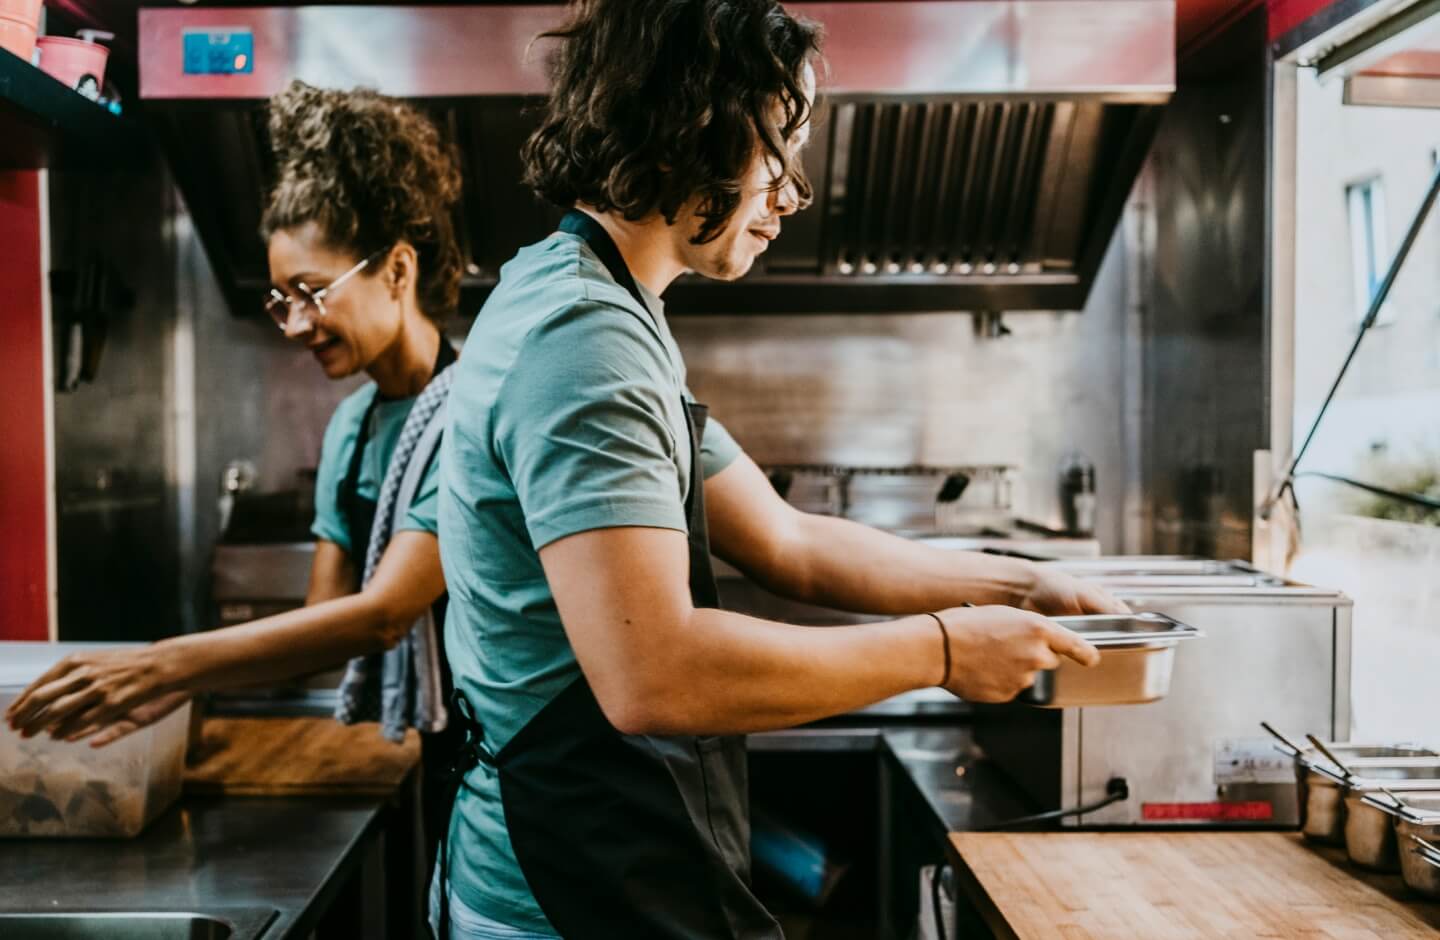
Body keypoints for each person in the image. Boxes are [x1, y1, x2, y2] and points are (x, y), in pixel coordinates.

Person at [431, 2, 1128, 937]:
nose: (792, 193)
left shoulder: (591, 301)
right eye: (779, 148)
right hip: (565, 890)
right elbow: (655, 675)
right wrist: (947, 650)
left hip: (592, 856)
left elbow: (787, 539)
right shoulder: (584, 342)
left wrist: (1026, 585)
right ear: (693, 131)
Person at [6, 81, 465, 864]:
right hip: (430, 747)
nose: (294, 325)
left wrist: (165, 664)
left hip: (509, 750)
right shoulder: (355, 429)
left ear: (396, 269)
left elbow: (383, 615)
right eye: (281, 300)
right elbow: (328, 625)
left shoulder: (477, 414)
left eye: (312, 294)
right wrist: (180, 688)